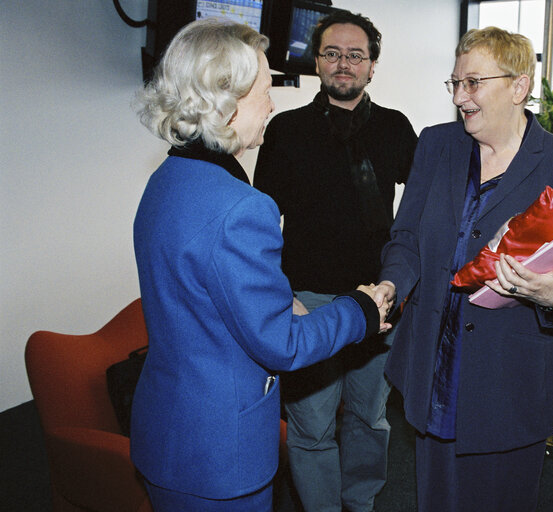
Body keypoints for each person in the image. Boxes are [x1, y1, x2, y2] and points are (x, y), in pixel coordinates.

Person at [130, 18, 390, 512]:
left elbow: (205, 299)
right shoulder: (240, 207)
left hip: (167, 433)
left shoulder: (167, 179)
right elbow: (282, 346)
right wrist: (362, 309)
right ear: (225, 101)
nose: (272, 104)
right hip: (219, 454)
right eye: (266, 90)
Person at [373, 27, 553, 512]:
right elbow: (407, 236)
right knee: (434, 498)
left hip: (508, 378)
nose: (460, 97)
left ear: (518, 86)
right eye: (454, 83)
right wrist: (392, 282)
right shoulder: (436, 146)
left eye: (473, 83)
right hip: (432, 363)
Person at [253, 9, 417, 512]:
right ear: (317, 62)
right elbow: (260, 223)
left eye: (355, 55)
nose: (343, 63)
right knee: (312, 426)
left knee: (370, 417)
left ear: (372, 66)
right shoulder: (285, 129)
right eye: (332, 53)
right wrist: (281, 299)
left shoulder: (395, 128)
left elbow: (421, 210)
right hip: (308, 302)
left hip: (378, 300)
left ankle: (360, 502)